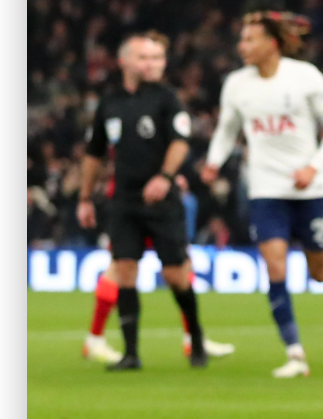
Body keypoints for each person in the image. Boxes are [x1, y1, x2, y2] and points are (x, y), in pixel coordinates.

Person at [201, 12, 323, 378]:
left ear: (272, 43)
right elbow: (226, 129)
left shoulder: (305, 76)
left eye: (250, 39)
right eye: (242, 38)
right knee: (275, 266)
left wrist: (313, 166)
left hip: (310, 188)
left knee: (315, 271)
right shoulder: (236, 84)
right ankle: (295, 353)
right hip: (265, 189)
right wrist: (213, 162)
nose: (242, 46)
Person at [81, 31, 234, 364]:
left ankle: (194, 338)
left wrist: (165, 178)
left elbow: (181, 141)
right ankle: (131, 354)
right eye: (145, 58)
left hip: (162, 201)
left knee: (176, 274)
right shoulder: (110, 103)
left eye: (157, 58)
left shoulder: (166, 98)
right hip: (123, 200)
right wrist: (83, 197)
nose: (152, 64)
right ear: (124, 61)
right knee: (124, 272)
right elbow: (94, 153)